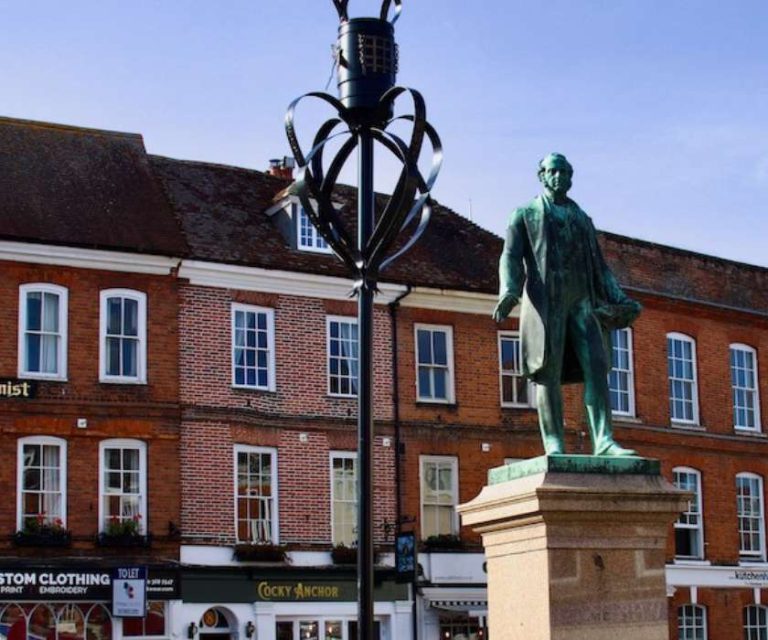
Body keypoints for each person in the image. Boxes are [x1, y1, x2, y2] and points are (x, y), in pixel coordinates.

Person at [493, 153, 641, 457]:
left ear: (571, 177)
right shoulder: (524, 214)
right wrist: (508, 290)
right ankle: (554, 444)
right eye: (552, 171)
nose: (558, 176)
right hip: (546, 304)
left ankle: (604, 441)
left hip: (582, 302)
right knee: (547, 372)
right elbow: (510, 255)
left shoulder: (582, 219)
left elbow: (600, 268)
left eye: (563, 171)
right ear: (542, 176)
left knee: (597, 368)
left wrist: (620, 299)